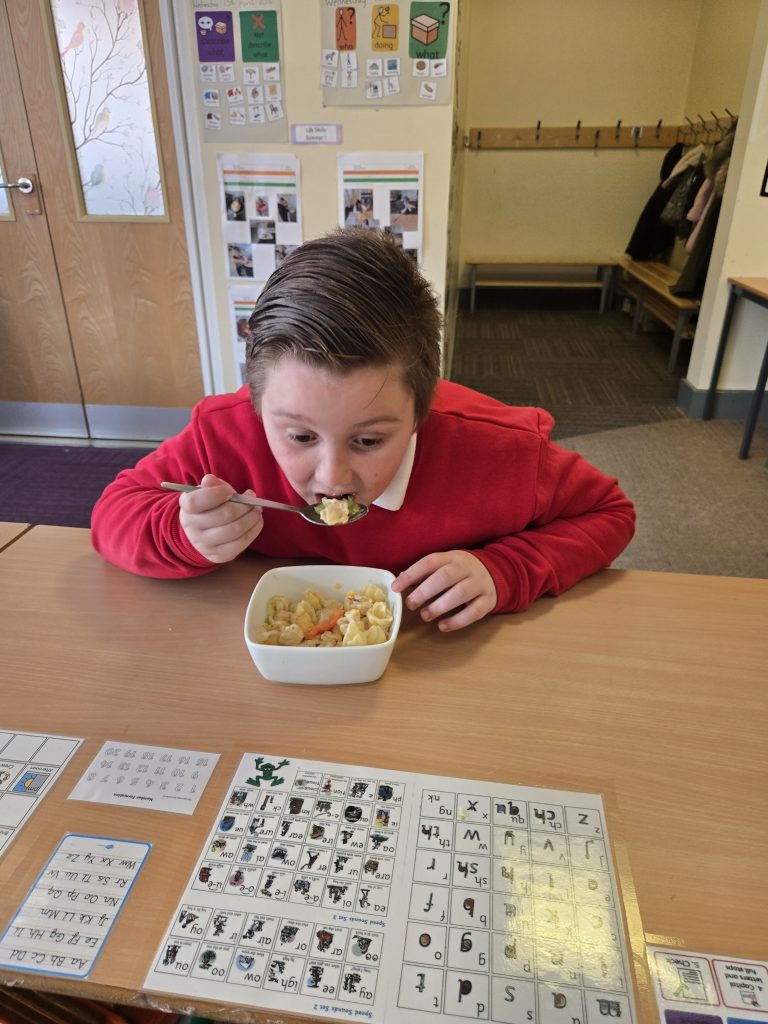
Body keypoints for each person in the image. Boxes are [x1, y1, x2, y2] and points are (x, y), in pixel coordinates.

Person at [91, 228, 635, 633]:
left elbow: (610, 514)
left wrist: (505, 570)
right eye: (300, 437)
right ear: (259, 404)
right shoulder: (225, 435)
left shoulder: (500, 451)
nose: (332, 479)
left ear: (422, 410)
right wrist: (182, 534)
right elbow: (113, 512)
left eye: (369, 441)